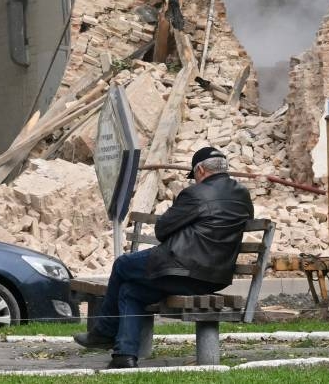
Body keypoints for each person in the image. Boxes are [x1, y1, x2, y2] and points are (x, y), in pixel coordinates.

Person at [74, 146, 254, 369]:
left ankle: (103, 332)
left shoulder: (194, 194)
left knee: (122, 265)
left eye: (194, 175)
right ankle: (124, 356)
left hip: (180, 268)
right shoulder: (242, 195)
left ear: (200, 170)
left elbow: (162, 229)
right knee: (130, 291)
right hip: (214, 277)